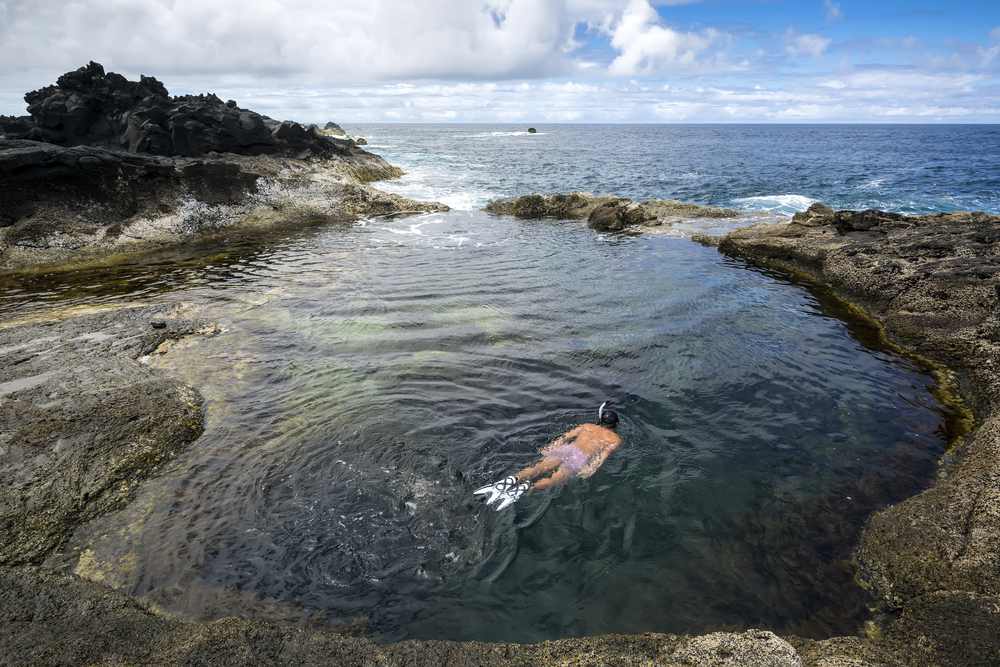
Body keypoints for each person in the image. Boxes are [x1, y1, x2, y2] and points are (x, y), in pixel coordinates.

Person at [474, 402, 621, 510]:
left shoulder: (587, 426)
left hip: (566, 449)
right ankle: (527, 487)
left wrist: (552, 447)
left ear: (601, 420)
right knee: (556, 479)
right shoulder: (614, 439)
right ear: (616, 424)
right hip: (579, 458)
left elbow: (565, 436)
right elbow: (603, 454)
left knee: (538, 467)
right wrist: (593, 468)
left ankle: (515, 478)